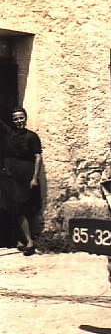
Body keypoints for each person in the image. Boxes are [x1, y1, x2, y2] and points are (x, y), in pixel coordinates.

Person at [0, 107, 42, 255]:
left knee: (24, 208)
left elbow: (38, 157)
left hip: (26, 176)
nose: (19, 121)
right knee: (13, 207)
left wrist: (35, 178)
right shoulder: (9, 135)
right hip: (12, 176)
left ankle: (28, 241)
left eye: (21, 118)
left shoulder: (32, 137)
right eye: (16, 119)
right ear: (13, 121)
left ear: (26, 118)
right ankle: (22, 240)